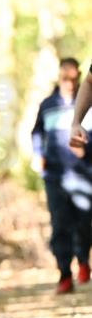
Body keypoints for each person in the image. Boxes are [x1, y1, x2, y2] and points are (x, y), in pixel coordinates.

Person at [32, 58, 92, 293]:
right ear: (58, 77)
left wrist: (86, 148)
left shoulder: (86, 102)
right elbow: (37, 132)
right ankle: (64, 273)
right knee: (60, 224)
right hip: (55, 174)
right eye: (65, 78)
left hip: (84, 173)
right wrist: (38, 154)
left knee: (84, 223)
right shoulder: (48, 104)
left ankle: (83, 261)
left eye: (73, 78)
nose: (69, 83)